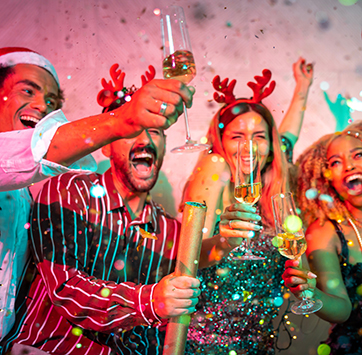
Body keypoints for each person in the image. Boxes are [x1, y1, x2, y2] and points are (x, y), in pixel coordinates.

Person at [3, 63, 248, 355]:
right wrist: (151, 301)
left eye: (156, 132)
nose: (145, 140)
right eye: (134, 131)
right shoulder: (71, 191)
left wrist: (226, 241)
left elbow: (192, 260)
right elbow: (67, 291)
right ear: (106, 145)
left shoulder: (168, 227)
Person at [183, 58, 314, 354]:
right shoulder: (214, 169)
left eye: (258, 137)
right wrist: (223, 244)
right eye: (237, 137)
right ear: (220, 141)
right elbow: (188, 256)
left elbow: (288, 137)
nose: (250, 147)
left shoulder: (274, 188)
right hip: (206, 344)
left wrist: (303, 87)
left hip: (260, 344)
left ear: (270, 145)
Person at [282, 124, 362, 354]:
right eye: (335, 162)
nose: (349, 165)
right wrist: (311, 293)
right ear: (327, 179)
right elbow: (342, 309)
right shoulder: (325, 232)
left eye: (358, 155)